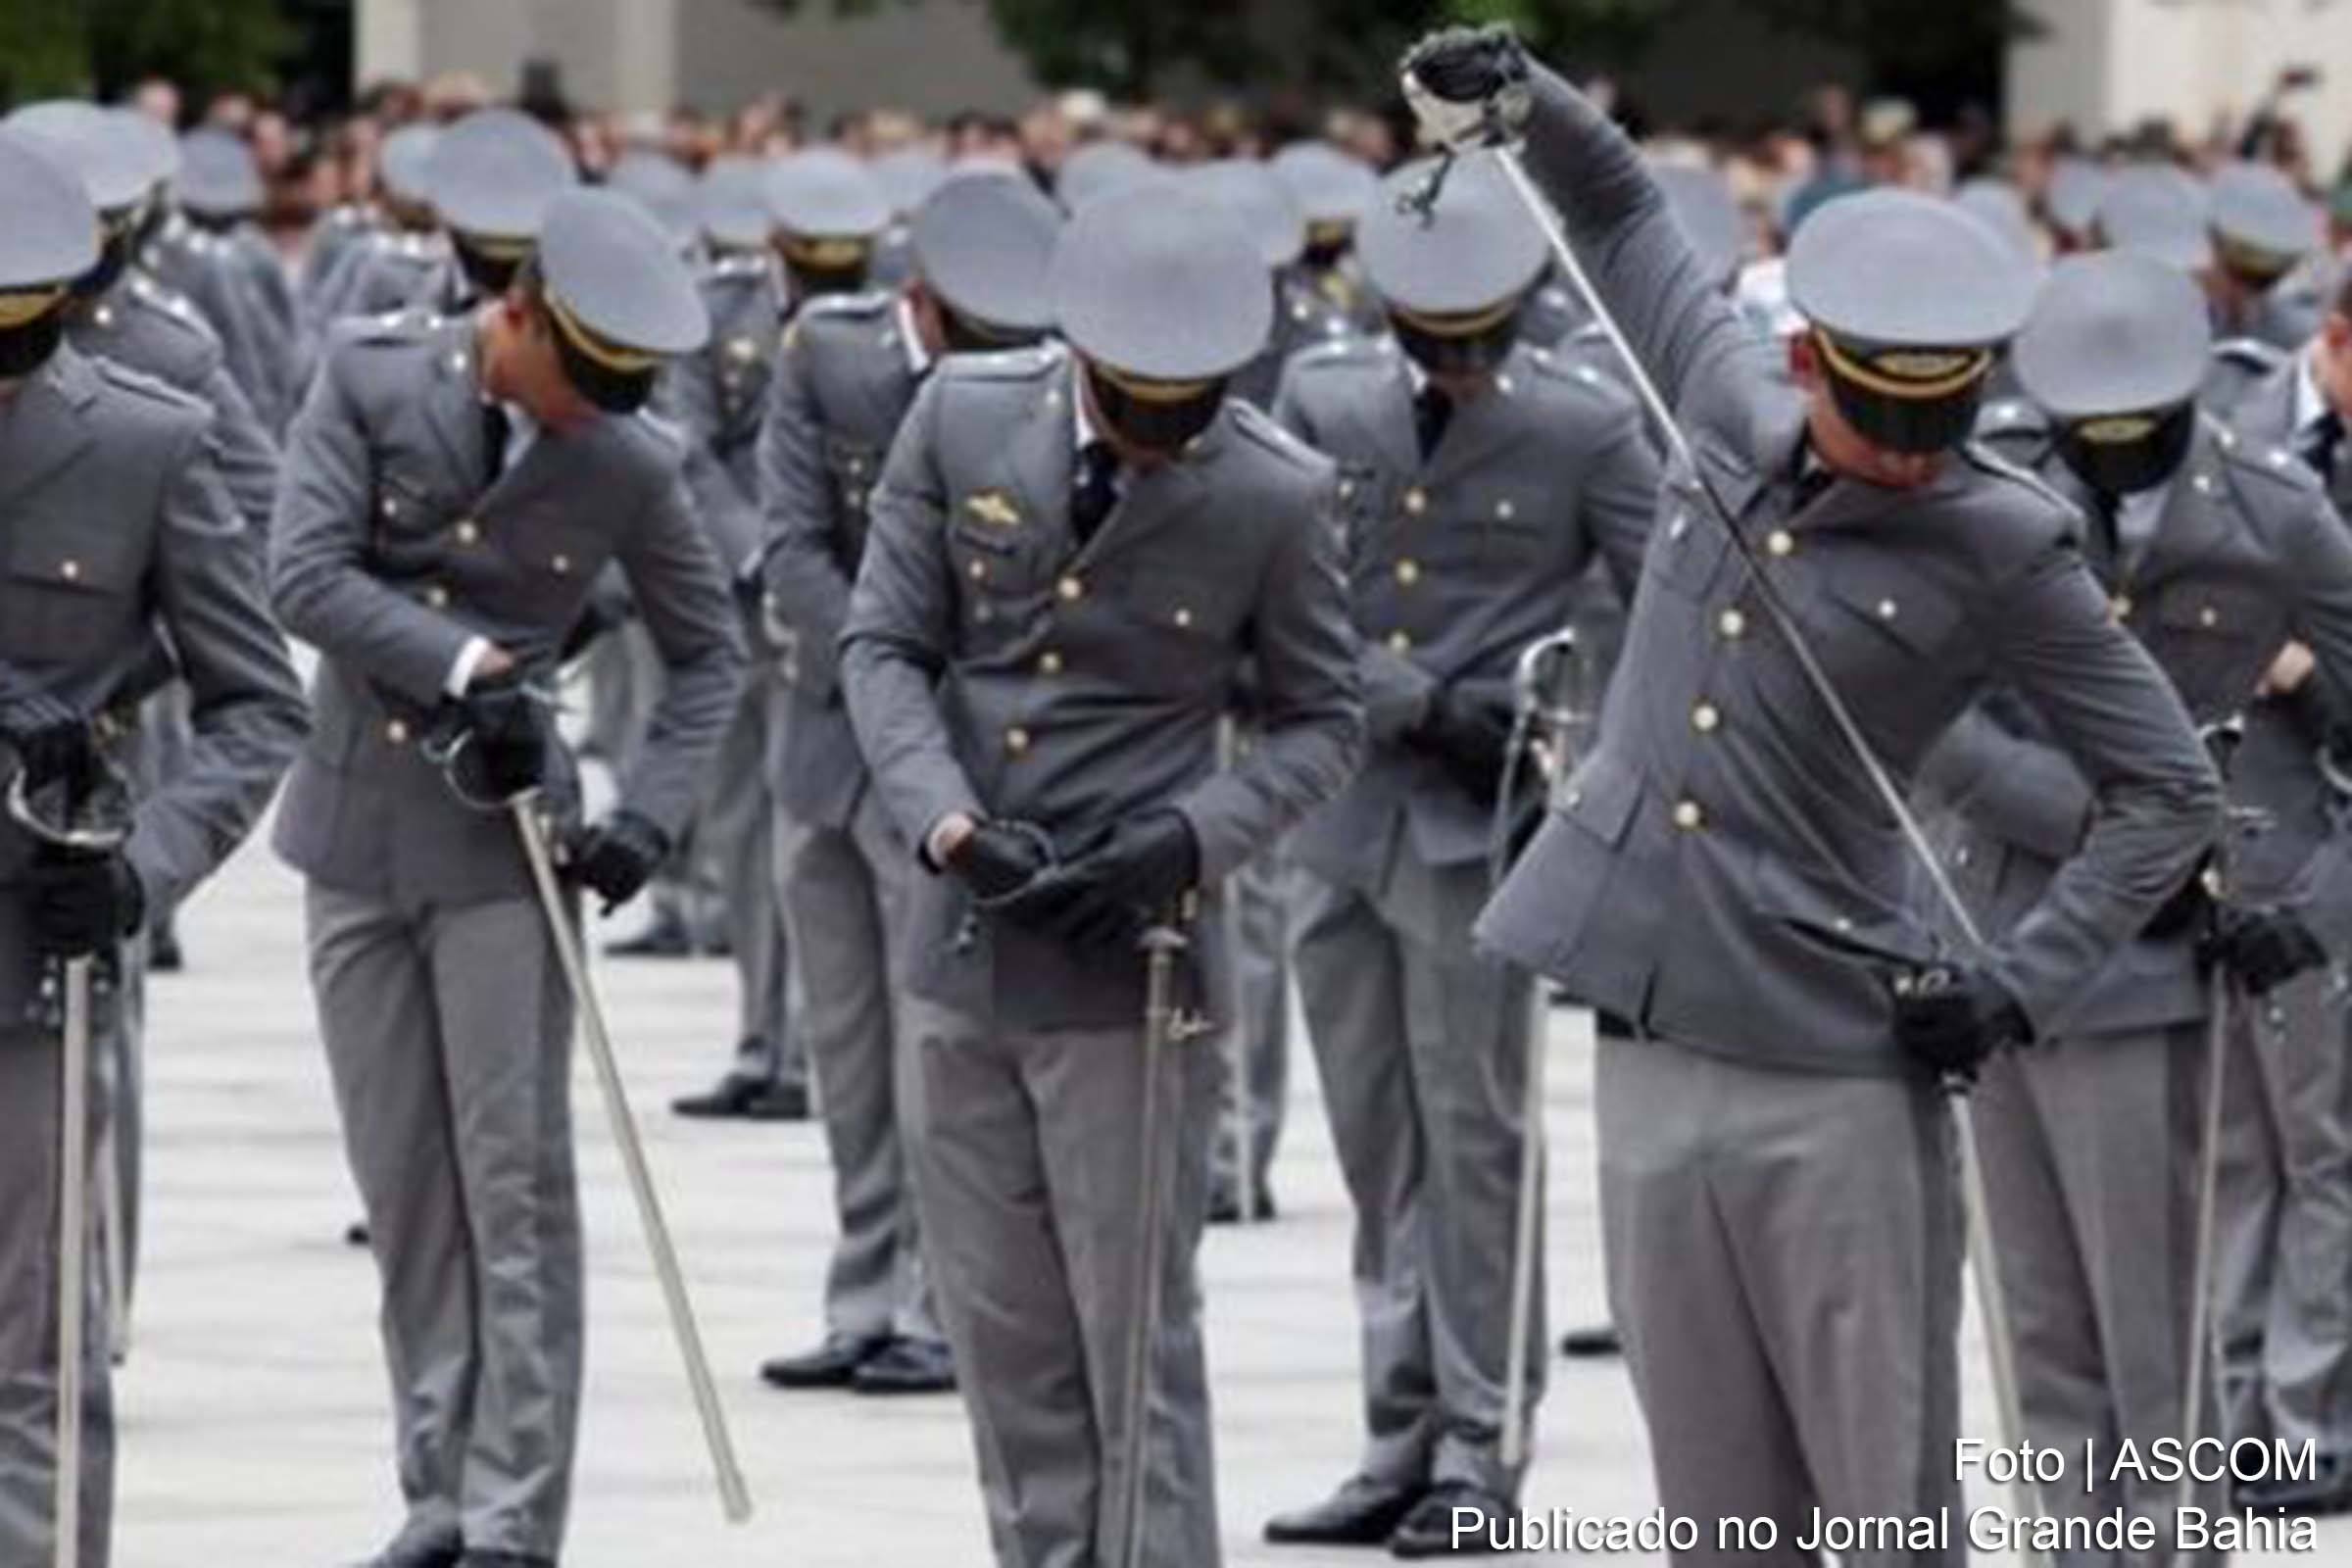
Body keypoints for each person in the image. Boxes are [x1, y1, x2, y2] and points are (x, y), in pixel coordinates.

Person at [1404, 24, 2218, 1556]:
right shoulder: (1721, 400)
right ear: (1806, 364)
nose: (1915, 459)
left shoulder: (2005, 541)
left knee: (1884, 1499)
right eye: (1882, 420)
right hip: (1646, 1029)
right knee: (1714, 1502)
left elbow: (2169, 794)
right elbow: (1625, 211)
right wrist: (1522, 93)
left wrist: (2018, 989)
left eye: (1944, 422)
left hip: (1837, 1062)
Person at [840, 179, 1363, 1568]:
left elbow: (1324, 718)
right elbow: (883, 646)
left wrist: (1191, 838)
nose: (1154, 450)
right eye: (1136, 413)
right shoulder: (960, 416)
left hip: (1135, 964)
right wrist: (947, 823)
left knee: (1133, 1343)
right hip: (964, 934)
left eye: (1183, 416)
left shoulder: (1273, 487)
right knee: (1005, 1340)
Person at [270, 187, 745, 1568]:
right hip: (358, 834)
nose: (592, 411)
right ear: (518, 315)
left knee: (514, 1188)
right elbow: (301, 575)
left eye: (616, 392)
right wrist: (470, 662)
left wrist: (652, 820)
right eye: (577, 377)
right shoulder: (368, 377)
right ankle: (434, 1486)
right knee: (408, 1186)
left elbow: (710, 653)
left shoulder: (629, 464)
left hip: (506, 857)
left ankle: (511, 1513)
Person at [1263, 149, 1658, 1553]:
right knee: (1377, 1144)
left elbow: (1662, 610)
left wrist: (1582, 748)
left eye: (1479, 340)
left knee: (1478, 1139)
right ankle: (1399, 1430)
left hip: (1485, 823)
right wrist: (1409, 695)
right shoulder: (1321, 396)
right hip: (1344, 806)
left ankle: (1482, 1448)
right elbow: (1283, 596)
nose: (1460, 369)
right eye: (1437, 343)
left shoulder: (1584, 425)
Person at [1931, 249, 2352, 1559]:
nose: (2106, 470)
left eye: (2135, 447)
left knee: (2155, 1312)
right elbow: (1932, 715)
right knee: (2040, 1311)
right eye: (2084, 444)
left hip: (2178, 969)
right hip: (2010, 930)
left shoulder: (2275, 513)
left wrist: (2324, 909)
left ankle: (2171, 1542)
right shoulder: (1990, 492)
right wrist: (2119, 832)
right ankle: (2074, 1541)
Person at [0, 124, 306, 1568]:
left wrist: (141, 871)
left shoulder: (142, 439)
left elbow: (257, 703)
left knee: (37, 1363)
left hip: (28, 949)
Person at [755, 168, 1061, 1397]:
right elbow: (791, 544)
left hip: (951, 766)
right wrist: (884, 680)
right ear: (920, 300)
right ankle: (864, 1287)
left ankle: (943, 1304)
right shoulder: (827, 354)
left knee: (936, 1051)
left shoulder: (1036, 380)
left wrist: (927, 722)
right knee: (843, 1043)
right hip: (834, 742)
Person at [2202, 267, 2352, 1513]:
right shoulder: (2231, 435)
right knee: (2242, 1149)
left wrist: (2307, 674)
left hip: (2329, 850)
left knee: (2320, 1151)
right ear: (2336, 341)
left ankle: (2304, 1422)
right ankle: (2238, 1410)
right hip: (2239, 836)